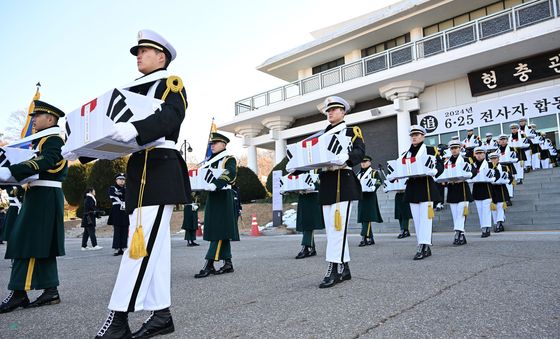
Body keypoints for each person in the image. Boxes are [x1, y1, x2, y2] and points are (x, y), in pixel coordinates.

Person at [92, 29, 191, 338]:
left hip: (160, 170)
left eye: (144, 51)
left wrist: (134, 129)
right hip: (141, 170)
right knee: (154, 250)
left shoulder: (169, 85)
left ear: (161, 56)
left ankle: (118, 318)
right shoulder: (132, 91)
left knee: (140, 248)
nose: (138, 56)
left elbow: (171, 118)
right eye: (137, 52)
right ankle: (161, 315)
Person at [0, 100, 68, 313]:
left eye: (37, 116)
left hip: (44, 193)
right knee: (42, 244)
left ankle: (19, 292)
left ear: (50, 119)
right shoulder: (42, 139)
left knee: (24, 242)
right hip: (39, 193)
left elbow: (46, 161)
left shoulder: (53, 140)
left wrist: (12, 170)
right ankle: (50, 291)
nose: (34, 120)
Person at [307, 96, 365, 288]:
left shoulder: (351, 131)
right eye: (328, 110)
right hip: (327, 182)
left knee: (338, 228)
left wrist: (346, 159)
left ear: (343, 112)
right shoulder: (321, 134)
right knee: (332, 229)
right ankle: (345, 268)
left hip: (343, 182)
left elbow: (360, 152)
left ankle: (333, 268)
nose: (330, 112)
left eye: (334, 109)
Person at [194, 132, 239, 278]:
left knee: (218, 230)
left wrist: (216, 184)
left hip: (223, 196)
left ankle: (209, 265)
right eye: (211, 144)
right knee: (218, 229)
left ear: (224, 144)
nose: (212, 146)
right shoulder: (209, 161)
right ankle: (228, 263)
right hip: (213, 197)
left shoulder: (228, 159)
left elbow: (230, 173)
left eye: (215, 143)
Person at [402, 125, 443, 260]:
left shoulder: (431, 149)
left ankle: (424, 245)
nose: (414, 137)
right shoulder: (406, 153)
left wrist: (435, 171)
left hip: (426, 185)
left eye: (417, 135)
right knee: (417, 219)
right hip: (413, 186)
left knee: (425, 218)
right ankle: (423, 244)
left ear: (423, 136)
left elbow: (440, 165)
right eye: (412, 135)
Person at [442, 140, 473, 246]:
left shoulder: (466, 159)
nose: (454, 150)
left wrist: (464, 177)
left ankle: (458, 233)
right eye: (452, 148)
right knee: (455, 214)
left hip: (462, 188)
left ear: (460, 148)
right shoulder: (446, 162)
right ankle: (460, 234)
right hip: (451, 188)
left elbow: (473, 171)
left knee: (460, 213)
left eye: (456, 148)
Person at [294, 172, 323, 259]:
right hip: (303, 197)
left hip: (313, 197)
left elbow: (322, 181)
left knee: (309, 222)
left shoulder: (318, 167)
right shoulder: (302, 167)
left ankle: (306, 247)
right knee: (304, 222)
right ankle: (312, 248)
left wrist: (313, 186)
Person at [356, 156, 383, 246]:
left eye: (365, 161)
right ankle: (370, 238)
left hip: (370, 197)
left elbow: (379, 181)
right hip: (361, 197)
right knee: (363, 217)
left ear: (369, 162)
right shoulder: (359, 173)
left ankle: (364, 237)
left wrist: (374, 187)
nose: (363, 163)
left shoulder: (374, 172)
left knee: (367, 217)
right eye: (362, 162)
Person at [471, 147, 494, 238]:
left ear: (484, 154)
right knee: (480, 210)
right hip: (477, 188)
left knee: (486, 210)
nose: (479, 155)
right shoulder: (472, 164)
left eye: (481, 153)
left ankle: (487, 227)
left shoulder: (489, 164)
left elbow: (494, 174)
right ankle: (483, 227)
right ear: (475, 155)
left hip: (486, 188)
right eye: (477, 153)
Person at [108, 173, 129, 256]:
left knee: (125, 229)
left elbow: (129, 195)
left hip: (124, 211)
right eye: (120, 179)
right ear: (116, 180)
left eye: (123, 179)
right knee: (117, 230)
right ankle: (116, 248)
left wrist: (124, 191)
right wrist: (123, 191)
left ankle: (124, 247)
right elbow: (116, 194)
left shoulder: (126, 188)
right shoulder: (112, 188)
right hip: (116, 211)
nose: (122, 181)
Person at [489, 153, 511, 233]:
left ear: (498, 159)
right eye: (492, 159)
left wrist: (506, 180)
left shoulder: (504, 167)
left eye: (495, 158)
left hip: (501, 188)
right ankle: (497, 222)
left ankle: (499, 223)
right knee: (493, 208)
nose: (493, 160)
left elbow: (510, 177)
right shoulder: (487, 168)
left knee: (500, 206)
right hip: (491, 189)